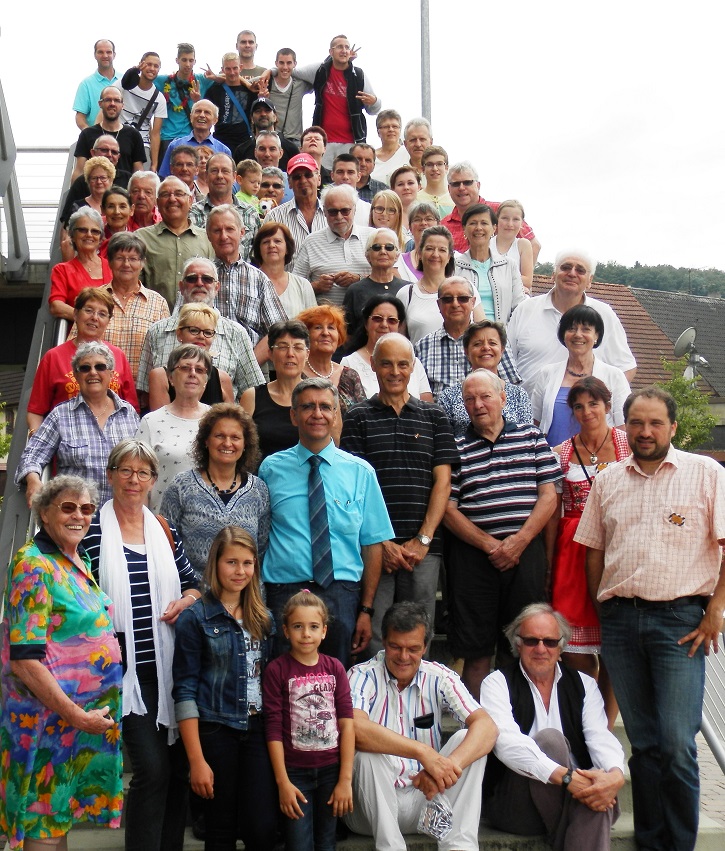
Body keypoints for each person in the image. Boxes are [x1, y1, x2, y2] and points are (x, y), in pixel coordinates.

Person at [575, 386, 725, 851]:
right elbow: (593, 550)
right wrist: (606, 608)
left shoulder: (705, 473)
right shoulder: (609, 480)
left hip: (681, 624)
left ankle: (678, 845)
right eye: (636, 422)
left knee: (678, 744)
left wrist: (716, 610)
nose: (645, 431)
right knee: (642, 742)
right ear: (625, 427)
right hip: (621, 622)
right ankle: (650, 842)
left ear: (673, 427)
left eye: (656, 423)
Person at [84, 439, 201, 851]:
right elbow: (77, 590)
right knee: (152, 770)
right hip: (122, 674)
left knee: (176, 769)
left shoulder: (163, 528)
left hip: (170, 672)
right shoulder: (92, 530)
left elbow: (194, 585)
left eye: (143, 473)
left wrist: (186, 600)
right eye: (126, 471)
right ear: (111, 475)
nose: (134, 480)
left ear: (153, 480)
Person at [0, 475, 122, 851]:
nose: (79, 516)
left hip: (73, 727)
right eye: (68, 507)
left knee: (57, 823)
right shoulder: (33, 564)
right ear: (44, 513)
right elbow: (24, 660)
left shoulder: (76, 560)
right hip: (46, 723)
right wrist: (75, 715)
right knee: (43, 827)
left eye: (86, 509)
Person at [259, 377, 394, 667]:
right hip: (285, 592)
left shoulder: (361, 473)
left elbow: (372, 545)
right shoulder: (270, 469)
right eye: (307, 407)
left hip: (341, 594)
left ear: (336, 414)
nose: (317, 414)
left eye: (325, 407)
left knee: (337, 683)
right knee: (284, 684)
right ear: (294, 415)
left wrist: (366, 609)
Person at [443, 369, 561, 697]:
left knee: (522, 644)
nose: (478, 404)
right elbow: (448, 509)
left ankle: (519, 726)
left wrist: (519, 541)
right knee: (476, 650)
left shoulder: (532, 436)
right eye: (470, 399)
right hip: (473, 558)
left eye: (485, 396)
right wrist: (491, 545)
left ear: (503, 399)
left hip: (526, 553)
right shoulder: (453, 446)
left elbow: (549, 496)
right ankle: (479, 730)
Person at [345, 601, 497, 851]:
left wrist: (445, 768)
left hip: (427, 805)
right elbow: (356, 729)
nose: (404, 657)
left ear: (426, 646)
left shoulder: (440, 676)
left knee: (467, 738)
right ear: (384, 641)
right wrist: (423, 752)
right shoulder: (362, 675)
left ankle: (458, 847)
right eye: (396, 647)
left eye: (413, 648)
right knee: (367, 755)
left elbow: (488, 727)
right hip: (370, 813)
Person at [341, 333, 458, 651]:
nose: (395, 371)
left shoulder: (434, 417)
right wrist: (383, 543)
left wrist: (422, 540)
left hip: (424, 550)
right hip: (374, 549)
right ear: (374, 366)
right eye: (387, 363)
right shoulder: (357, 417)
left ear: (413, 367)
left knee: (420, 633)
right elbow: (354, 488)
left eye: (403, 364)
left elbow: (443, 483)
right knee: (374, 635)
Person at [480, 604, 625, 849]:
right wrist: (569, 779)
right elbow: (507, 744)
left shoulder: (585, 685)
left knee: (598, 787)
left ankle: (590, 802)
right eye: (531, 641)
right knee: (550, 742)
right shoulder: (497, 683)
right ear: (517, 644)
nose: (540, 649)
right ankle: (588, 811)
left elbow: (601, 738)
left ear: (561, 647)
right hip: (516, 805)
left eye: (549, 642)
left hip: (575, 792)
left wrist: (614, 776)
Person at [173, 527, 277, 851]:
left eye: (247, 563)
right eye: (231, 562)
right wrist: (196, 760)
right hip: (216, 731)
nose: (240, 571)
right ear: (215, 563)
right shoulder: (195, 618)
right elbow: (185, 691)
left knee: (262, 828)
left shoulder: (264, 618)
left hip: (258, 730)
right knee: (220, 829)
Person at [543, 377, 630, 726]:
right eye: (579, 406)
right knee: (575, 648)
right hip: (573, 548)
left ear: (608, 406)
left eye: (593, 403)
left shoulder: (627, 446)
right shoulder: (561, 452)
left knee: (615, 646)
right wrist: (549, 560)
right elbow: (552, 511)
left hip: (618, 546)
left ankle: (606, 726)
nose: (586, 411)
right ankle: (589, 718)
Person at [264, 591, 355, 851]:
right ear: (285, 630)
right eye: (298, 627)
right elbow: (272, 729)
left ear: (324, 631)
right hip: (294, 774)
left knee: (327, 842)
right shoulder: (277, 670)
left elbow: (347, 723)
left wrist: (345, 779)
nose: (306, 634)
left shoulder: (335, 668)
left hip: (331, 772)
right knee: (298, 844)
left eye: (313, 627)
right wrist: (282, 782)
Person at [17, 342, 140, 506]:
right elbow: (31, 456)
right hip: (76, 517)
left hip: (120, 516)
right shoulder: (61, 415)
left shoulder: (129, 413)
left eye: (100, 367)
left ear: (111, 374)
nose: (93, 372)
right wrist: (33, 480)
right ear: (76, 375)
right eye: (85, 368)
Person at [161, 403, 270, 578]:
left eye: (235, 437)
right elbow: (167, 545)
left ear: (245, 444)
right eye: (219, 435)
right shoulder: (181, 486)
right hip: (195, 596)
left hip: (245, 597)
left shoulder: (258, 489)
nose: (227, 443)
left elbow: (262, 548)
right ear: (206, 440)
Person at [508, 249, 637, 392]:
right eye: (566, 267)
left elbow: (626, 368)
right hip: (528, 409)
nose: (572, 273)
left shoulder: (604, 315)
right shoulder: (525, 310)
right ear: (553, 274)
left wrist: (599, 403)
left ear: (590, 281)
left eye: (580, 270)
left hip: (585, 411)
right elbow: (506, 360)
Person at [137, 257, 263, 400]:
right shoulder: (156, 331)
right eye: (191, 279)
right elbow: (144, 392)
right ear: (181, 286)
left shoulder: (236, 332)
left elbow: (253, 389)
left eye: (207, 279)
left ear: (217, 287)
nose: (199, 283)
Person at [28, 288, 138, 432]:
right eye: (89, 310)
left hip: (113, 446)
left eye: (102, 314)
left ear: (108, 321)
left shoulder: (118, 356)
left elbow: (132, 409)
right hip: (66, 446)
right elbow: (36, 410)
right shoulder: (53, 357)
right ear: (75, 314)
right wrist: (37, 441)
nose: (95, 318)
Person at [530, 306, 630, 446]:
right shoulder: (547, 373)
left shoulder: (614, 376)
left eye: (586, 329)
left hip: (599, 462)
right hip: (552, 460)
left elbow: (623, 427)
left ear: (597, 335)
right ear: (563, 335)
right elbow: (535, 422)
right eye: (571, 329)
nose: (578, 334)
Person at [137, 345, 211, 512]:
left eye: (199, 370)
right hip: (162, 522)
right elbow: (139, 478)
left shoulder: (217, 420)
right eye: (185, 368)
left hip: (209, 523)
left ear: (205, 381)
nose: (192, 373)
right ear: (170, 377)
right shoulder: (151, 421)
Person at [291, 35, 381, 168]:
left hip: (351, 143)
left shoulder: (358, 75)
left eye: (346, 47)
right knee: (323, 182)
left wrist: (374, 101)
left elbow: (374, 110)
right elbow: (291, 72)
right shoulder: (319, 70)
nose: (344, 50)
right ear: (330, 52)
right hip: (324, 143)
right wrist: (270, 72)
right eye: (339, 47)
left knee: (347, 182)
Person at [206, 204, 285, 352]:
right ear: (208, 235)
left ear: (242, 232)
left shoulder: (259, 279)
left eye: (230, 229)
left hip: (253, 362)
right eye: (217, 231)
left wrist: (249, 363)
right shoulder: (199, 277)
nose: (224, 236)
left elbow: (277, 331)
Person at [438, 320, 533, 438]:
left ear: (502, 350)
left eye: (492, 343)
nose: (486, 348)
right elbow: (445, 442)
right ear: (466, 351)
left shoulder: (519, 395)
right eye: (478, 344)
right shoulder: (448, 397)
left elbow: (528, 438)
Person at [98, 232, 170, 385]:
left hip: (142, 393)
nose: (126, 264)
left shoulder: (157, 303)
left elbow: (164, 353)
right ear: (109, 262)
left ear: (142, 263)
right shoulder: (94, 299)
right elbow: (77, 344)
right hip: (100, 390)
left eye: (133, 259)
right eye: (119, 258)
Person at [136, 176, 214, 309]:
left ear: (190, 200)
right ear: (157, 202)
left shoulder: (207, 239)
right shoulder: (141, 238)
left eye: (179, 194)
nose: (172, 199)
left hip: (197, 320)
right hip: (154, 318)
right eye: (165, 195)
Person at [399, 227, 483, 346]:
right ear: (420, 254)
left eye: (442, 250)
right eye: (429, 249)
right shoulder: (406, 294)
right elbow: (400, 340)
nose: (435, 254)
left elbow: (482, 331)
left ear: (449, 256)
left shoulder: (466, 289)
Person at [341, 294, 433, 401]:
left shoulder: (413, 362)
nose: (384, 325)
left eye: (392, 320)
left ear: (400, 326)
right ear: (366, 323)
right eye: (377, 319)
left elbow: (427, 408)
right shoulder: (349, 364)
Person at [294, 183, 373, 307]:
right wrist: (316, 286)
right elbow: (294, 287)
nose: (339, 217)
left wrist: (359, 280)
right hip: (326, 323)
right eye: (333, 212)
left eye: (345, 211)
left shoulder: (373, 237)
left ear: (355, 209)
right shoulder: (311, 242)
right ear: (324, 212)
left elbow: (390, 278)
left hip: (367, 321)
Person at [240, 320, 311, 458]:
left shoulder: (319, 396)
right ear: (270, 353)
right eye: (283, 347)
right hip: (262, 476)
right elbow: (242, 446)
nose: (290, 354)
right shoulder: (252, 396)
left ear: (307, 354)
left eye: (298, 347)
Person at [442, 161, 540, 259]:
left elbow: (534, 246)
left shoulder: (501, 212)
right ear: (449, 188)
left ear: (478, 185)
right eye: (456, 184)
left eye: (467, 182)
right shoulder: (443, 226)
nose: (461, 188)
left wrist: (519, 274)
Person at [453, 203, 527, 327]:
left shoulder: (509, 265)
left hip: (501, 338)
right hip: (465, 338)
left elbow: (519, 307)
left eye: (484, 223)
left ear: (494, 228)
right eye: (473, 223)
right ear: (464, 228)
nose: (478, 228)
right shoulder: (454, 266)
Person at [147, 304, 234, 409]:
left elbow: (229, 421)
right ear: (179, 334)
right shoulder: (160, 376)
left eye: (207, 332)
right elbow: (161, 422)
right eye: (194, 330)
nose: (201, 336)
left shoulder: (223, 379)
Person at [414, 276, 482, 400]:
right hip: (436, 417)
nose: (455, 304)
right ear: (439, 304)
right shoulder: (422, 347)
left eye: (462, 298)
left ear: (473, 302)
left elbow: (510, 388)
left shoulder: (491, 343)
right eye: (447, 299)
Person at [263, 152, 326, 268]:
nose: (303, 181)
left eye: (308, 175)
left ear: (319, 179)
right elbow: (265, 261)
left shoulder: (333, 214)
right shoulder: (275, 217)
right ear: (290, 183)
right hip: (289, 285)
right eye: (297, 177)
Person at [71, 85, 145, 182]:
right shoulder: (87, 134)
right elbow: (79, 171)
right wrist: (73, 195)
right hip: (93, 191)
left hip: (122, 193)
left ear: (122, 105)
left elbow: (138, 172)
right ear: (100, 104)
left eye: (117, 100)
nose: (112, 104)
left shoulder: (133, 135)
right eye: (108, 100)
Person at [343, 228, 405, 336]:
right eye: (376, 247)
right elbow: (347, 332)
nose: (383, 252)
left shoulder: (408, 289)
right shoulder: (355, 290)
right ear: (367, 256)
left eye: (389, 247)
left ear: (397, 255)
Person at [51, 208, 110, 320]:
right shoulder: (62, 270)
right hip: (78, 334)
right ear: (72, 235)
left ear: (101, 237)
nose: (89, 235)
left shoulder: (112, 267)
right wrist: (89, 319)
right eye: (83, 230)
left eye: (95, 231)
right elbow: (56, 306)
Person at [251, 221, 316, 318]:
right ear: (259, 249)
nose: (272, 245)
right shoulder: (249, 282)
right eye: (266, 242)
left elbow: (314, 322)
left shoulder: (302, 285)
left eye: (277, 241)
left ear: (287, 248)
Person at [159, 100, 232, 178]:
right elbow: (164, 176)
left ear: (215, 120)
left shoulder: (223, 150)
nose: (202, 115)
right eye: (198, 111)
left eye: (207, 112)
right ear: (191, 117)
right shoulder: (175, 146)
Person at [120, 52, 167, 171]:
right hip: (119, 137)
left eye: (156, 66)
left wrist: (154, 164)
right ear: (141, 64)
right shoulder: (124, 84)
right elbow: (104, 107)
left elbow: (155, 133)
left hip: (142, 143)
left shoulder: (159, 98)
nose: (152, 69)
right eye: (149, 64)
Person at [267, 48, 313, 145]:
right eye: (281, 63)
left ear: (295, 64)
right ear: (276, 63)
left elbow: (322, 72)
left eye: (289, 63)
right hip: (271, 138)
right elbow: (247, 84)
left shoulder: (300, 84)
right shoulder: (267, 81)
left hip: (294, 140)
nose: (285, 67)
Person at [73, 38, 118, 129]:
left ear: (114, 55)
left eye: (108, 52)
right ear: (95, 55)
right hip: (98, 141)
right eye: (100, 52)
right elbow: (80, 118)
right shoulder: (86, 85)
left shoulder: (124, 80)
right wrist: (91, 136)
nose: (105, 55)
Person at [492, 199, 534, 292]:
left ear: (521, 222)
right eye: (505, 218)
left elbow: (527, 281)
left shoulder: (523, 245)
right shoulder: (487, 244)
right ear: (497, 219)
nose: (510, 224)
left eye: (515, 219)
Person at [397, 200, 440, 282]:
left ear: (438, 224)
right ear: (410, 227)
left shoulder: (454, 258)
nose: (423, 223)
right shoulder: (399, 261)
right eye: (417, 219)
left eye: (429, 219)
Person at [370, 109, 408, 184]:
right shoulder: (370, 156)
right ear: (378, 132)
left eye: (395, 126)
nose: (391, 129)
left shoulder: (408, 153)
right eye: (386, 127)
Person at [416, 146, 454, 216]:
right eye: (430, 165)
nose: (435, 169)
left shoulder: (454, 199)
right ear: (423, 169)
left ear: (446, 168)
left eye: (439, 164)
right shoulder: (415, 199)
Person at [368, 189, 406, 254]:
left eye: (391, 210)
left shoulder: (408, 244)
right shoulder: (362, 240)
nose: (384, 214)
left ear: (399, 214)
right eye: (379, 209)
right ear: (372, 211)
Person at [99, 186, 134, 251]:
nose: (117, 212)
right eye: (111, 207)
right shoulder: (97, 239)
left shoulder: (138, 236)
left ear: (131, 210)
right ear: (103, 210)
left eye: (122, 207)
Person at [390, 164, 420, 234]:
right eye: (400, 184)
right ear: (393, 189)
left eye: (410, 183)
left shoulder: (427, 214)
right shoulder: (387, 215)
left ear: (419, 186)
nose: (406, 187)